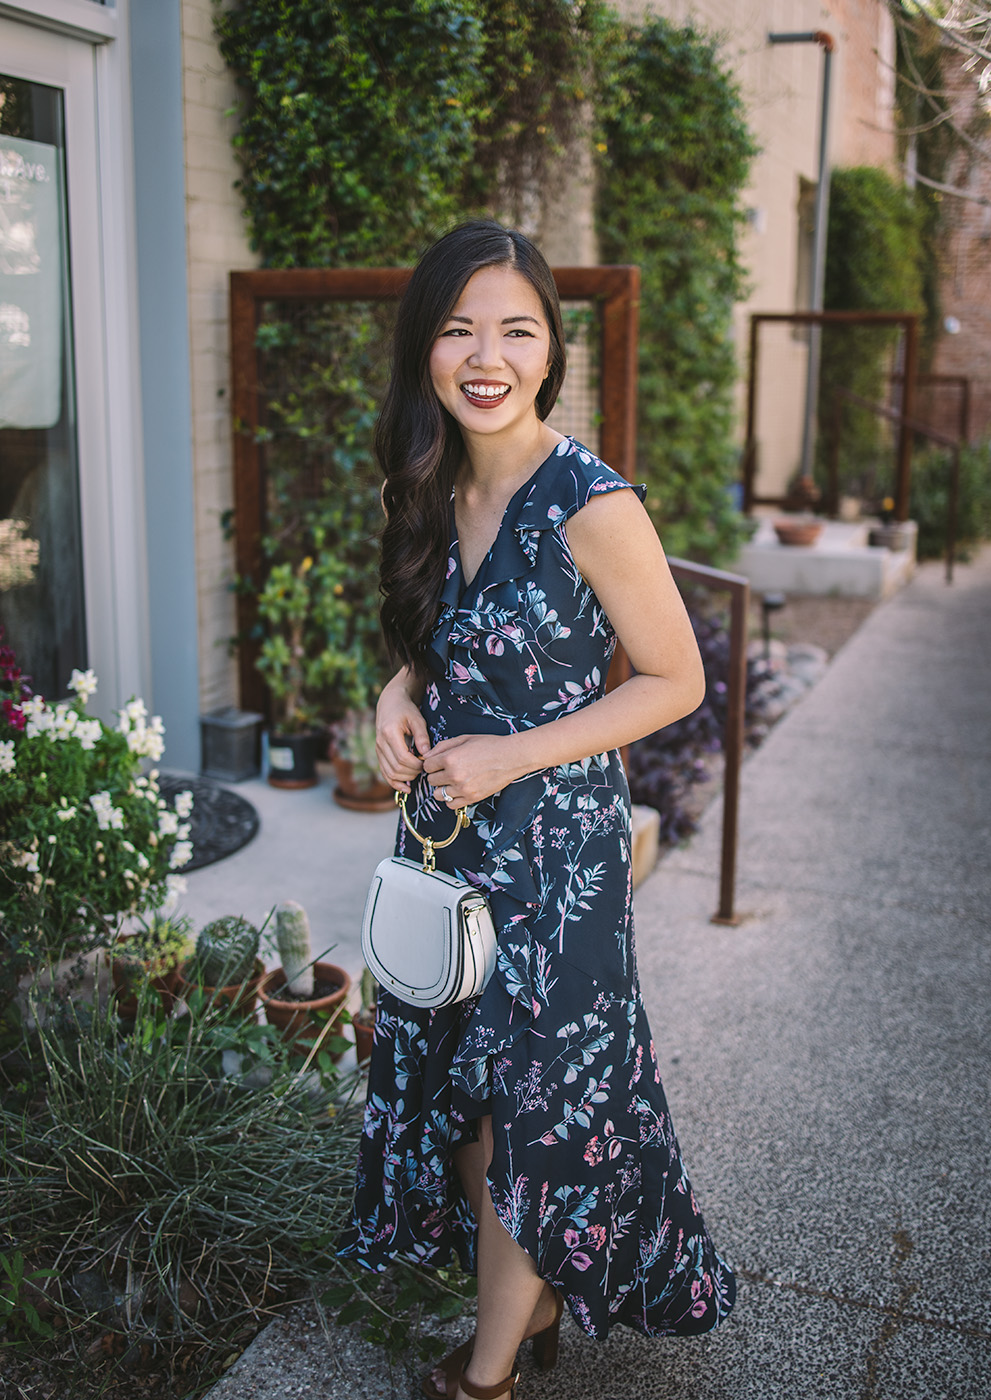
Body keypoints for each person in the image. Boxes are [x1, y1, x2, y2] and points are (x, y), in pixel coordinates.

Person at [339, 220, 735, 1400]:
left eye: (515, 328)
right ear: (425, 348)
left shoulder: (589, 498)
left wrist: (512, 754)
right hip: (445, 834)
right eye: (458, 327)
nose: (485, 354)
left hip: (554, 849)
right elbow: (432, 637)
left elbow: (678, 679)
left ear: (549, 350)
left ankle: (490, 1371)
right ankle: (543, 1286)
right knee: (452, 1087)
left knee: (529, 1114)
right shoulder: (428, 475)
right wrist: (394, 689)